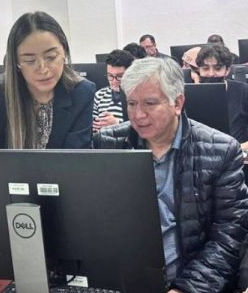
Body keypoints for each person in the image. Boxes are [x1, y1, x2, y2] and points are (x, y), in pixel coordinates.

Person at [93, 57, 248, 292]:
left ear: (177, 103)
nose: (138, 115)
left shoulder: (221, 151)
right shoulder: (108, 143)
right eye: (132, 103)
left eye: (150, 103)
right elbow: (97, 222)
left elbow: (229, 236)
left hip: (189, 281)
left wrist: (185, 289)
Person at [0, 11, 96, 149]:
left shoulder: (82, 92)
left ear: (64, 52)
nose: (42, 69)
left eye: (51, 57)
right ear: (16, 62)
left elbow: (78, 158)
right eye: (30, 61)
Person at [196, 44, 248, 151]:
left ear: (227, 70)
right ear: (199, 70)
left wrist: (240, 148)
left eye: (218, 68)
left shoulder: (243, 91)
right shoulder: (189, 95)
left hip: (237, 155)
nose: (211, 74)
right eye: (205, 68)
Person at [92, 49, 134, 132]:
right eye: (110, 76)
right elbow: (92, 127)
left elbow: (142, 131)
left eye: (120, 76)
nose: (114, 81)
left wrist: (117, 124)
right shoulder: (99, 95)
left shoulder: (137, 96)